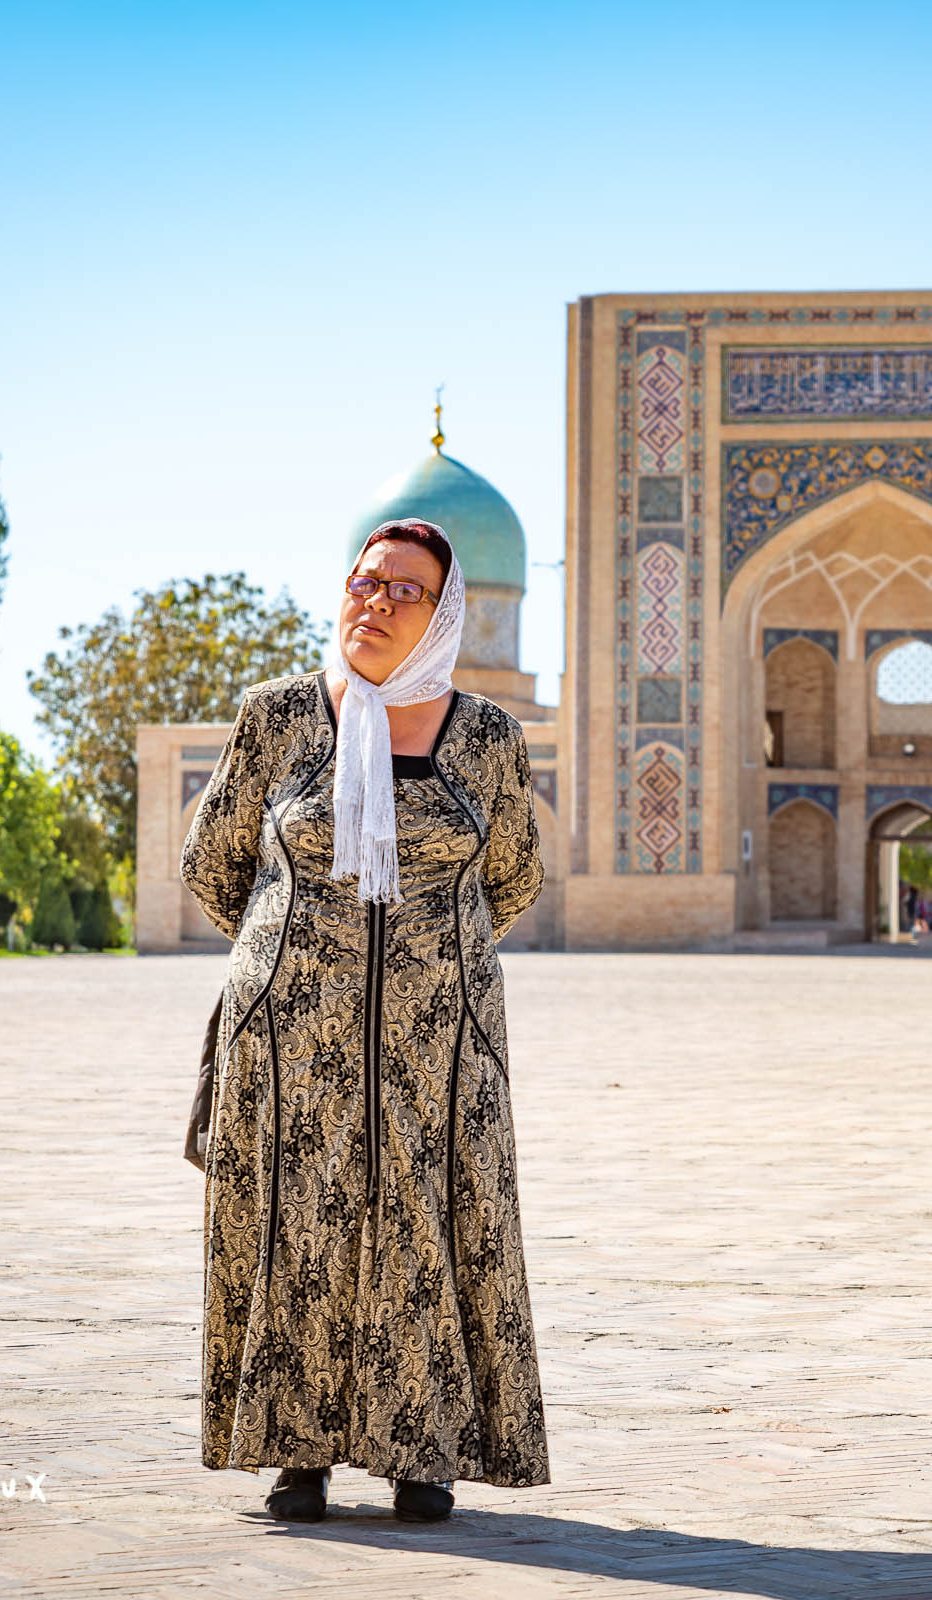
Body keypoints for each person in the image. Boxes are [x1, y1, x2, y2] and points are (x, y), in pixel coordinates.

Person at [181, 517, 548, 1525]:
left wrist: (433, 964)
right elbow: (214, 866)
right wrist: (294, 954)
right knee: (293, 1230)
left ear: (446, 615)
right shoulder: (280, 717)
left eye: (404, 592)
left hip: (440, 1048)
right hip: (290, 1045)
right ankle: (293, 1454)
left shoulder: (485, 737)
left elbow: (511, 875)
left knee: (423, 1228)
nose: (375, 604)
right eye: (365, 582)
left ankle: (419, 1449)